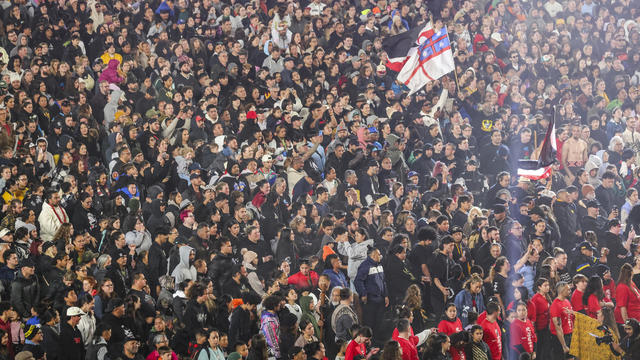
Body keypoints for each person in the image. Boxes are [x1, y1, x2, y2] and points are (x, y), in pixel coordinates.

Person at [549, 282, 575, 360]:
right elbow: (558, 328)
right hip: (560, 338)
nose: (570, 291)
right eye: (568, 289)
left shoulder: (566, 301)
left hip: (569, 334)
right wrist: (564, 345)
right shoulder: (555, 305)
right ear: (561, 291)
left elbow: (571, 319)